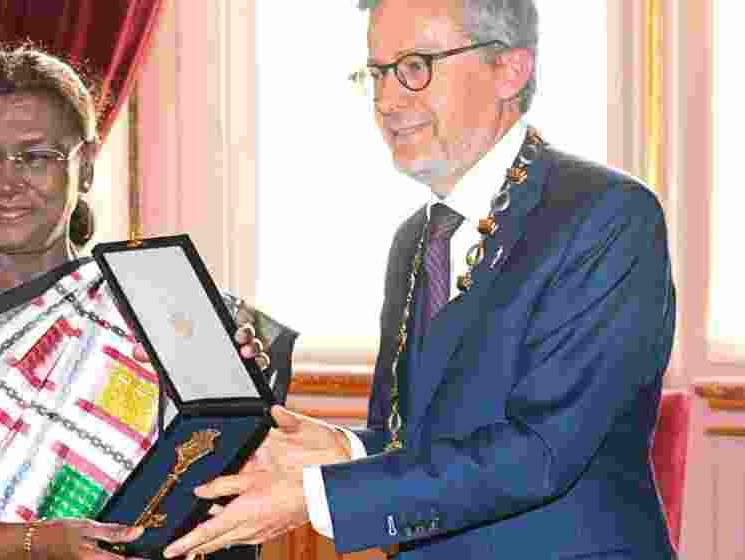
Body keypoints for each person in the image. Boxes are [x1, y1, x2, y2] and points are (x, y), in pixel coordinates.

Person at [163, 1, 677, 559]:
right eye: (377, 73)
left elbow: (541, 452)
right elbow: (421, 442)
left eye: (415, 66)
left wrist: (316, 495)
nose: (386, 100)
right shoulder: (416, 239)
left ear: (510, 70)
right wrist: (341, 450)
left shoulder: (607, 215)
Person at [0, 43, 283, 560]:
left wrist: (231, 396)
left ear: (85, 166)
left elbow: (211, 502)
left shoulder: (147, 305)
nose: (6, 181)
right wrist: (32, 544)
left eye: (36, 157)